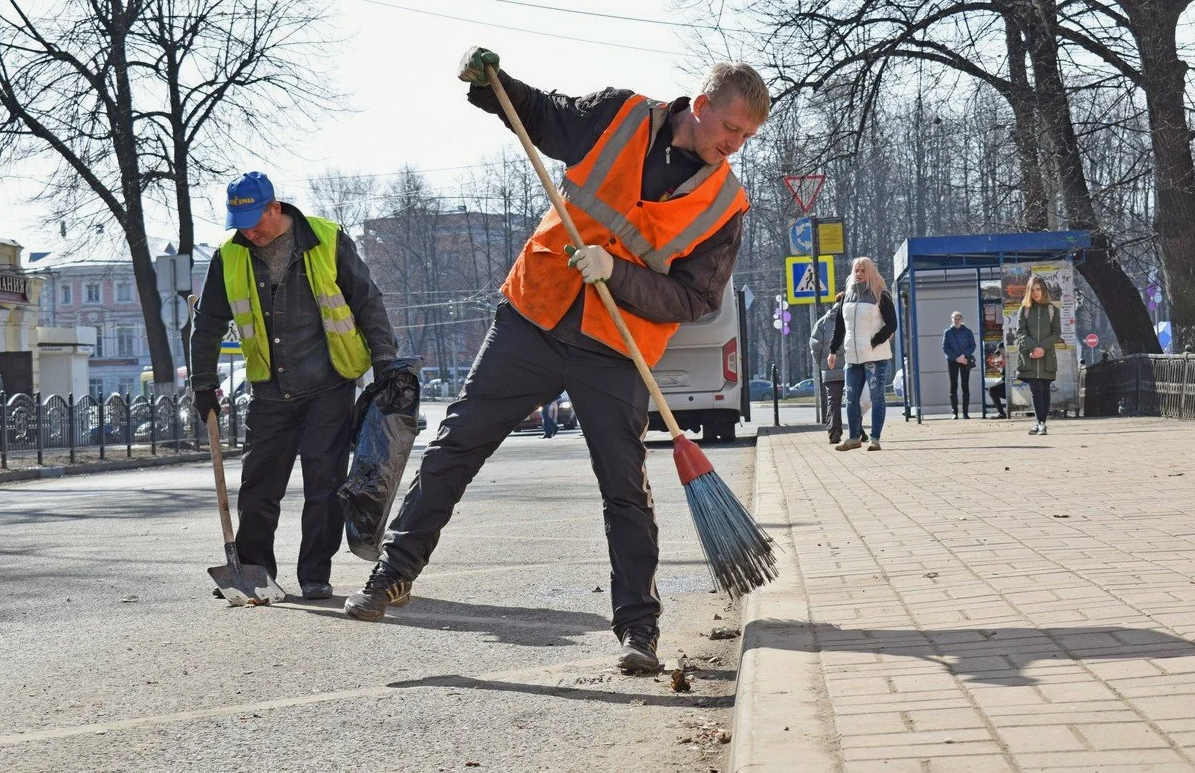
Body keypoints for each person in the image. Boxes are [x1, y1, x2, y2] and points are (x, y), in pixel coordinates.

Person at [343, 47, 770, 675]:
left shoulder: (726, 207)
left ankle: (638, 630)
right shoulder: (619, 115)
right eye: (730, 128)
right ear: (701, 106)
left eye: (747, 137)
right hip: (534, 317)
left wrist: (617, 274)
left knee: (625, 490)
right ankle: (392, 576)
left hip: (616, 350)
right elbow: (540, 115)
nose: (735, 144)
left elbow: (696, 298)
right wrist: (490, 81)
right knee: (455, 447)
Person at [190, 172, 398, 600]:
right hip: (269, 389)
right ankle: (255, 571)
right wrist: (203, 383)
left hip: (328, 383)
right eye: (240, 222)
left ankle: (314, 575)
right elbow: (207, 324)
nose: (250, 230)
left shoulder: (327, 240)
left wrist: (385, 361)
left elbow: (367, 300)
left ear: (275, 207)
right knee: (258, 487)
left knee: (324, 486)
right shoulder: (229, 257)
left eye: (255, 218)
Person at [827, 257, 897, 451]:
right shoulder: (847, 296)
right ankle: (853, 438)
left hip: (875, 357)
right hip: (852, 357)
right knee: (850, 399)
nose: (858, 274)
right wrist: (833, 351)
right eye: (856, 270)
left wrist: (874, 341)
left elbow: (892, 324)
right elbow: (839, 327)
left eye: (862, 271)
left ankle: (874, 438)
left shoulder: (880, 295)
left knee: (876, 398)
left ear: (870, 272)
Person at [810, 295, 866, 445]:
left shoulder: (822, 323)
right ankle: (858, 430)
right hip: (852, 367)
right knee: (853, 400)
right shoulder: (852, 320)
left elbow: (815, 348)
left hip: (831, 369)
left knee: (833, 402)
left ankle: (834, 432)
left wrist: (823, 364)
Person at [1016, 274, 1061, 436]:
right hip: (1030, 357)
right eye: (1033, 290)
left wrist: (1042, 348)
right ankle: (1040, 423)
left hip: (1047, 357)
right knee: (1035, 390)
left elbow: (1056, 333)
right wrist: (1034, 348)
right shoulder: (1024, 310)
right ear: (1029, 291)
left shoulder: (1052, 310)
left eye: (1039, 289)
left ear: (1043, 290)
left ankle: (1041, 423)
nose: (1036, 293)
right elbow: (1020, 333)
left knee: (1045, 389)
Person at [942, 310, 976, 419]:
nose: (956, 320)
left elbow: (972, 345)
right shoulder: (948, 332)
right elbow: (945, 347)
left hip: (965, 360)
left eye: (958, 319)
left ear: (961, 320)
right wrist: (956, 358)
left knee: (965, 385)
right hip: (952, 361)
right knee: (954, 385)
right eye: (954, 319)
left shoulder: (968, 331)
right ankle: (954, 412)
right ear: (952, 320)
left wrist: (963, 356)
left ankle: (965, 413)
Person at [988, 343, 1007, 418]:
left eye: (1001, 351)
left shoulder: (1010, 358)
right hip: (1015, 386)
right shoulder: (1006, 359)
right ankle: (1001, 413)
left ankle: (1001, 413)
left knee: (992, 390)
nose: (1000, 354)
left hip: (1016, 387)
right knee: (992, 389)